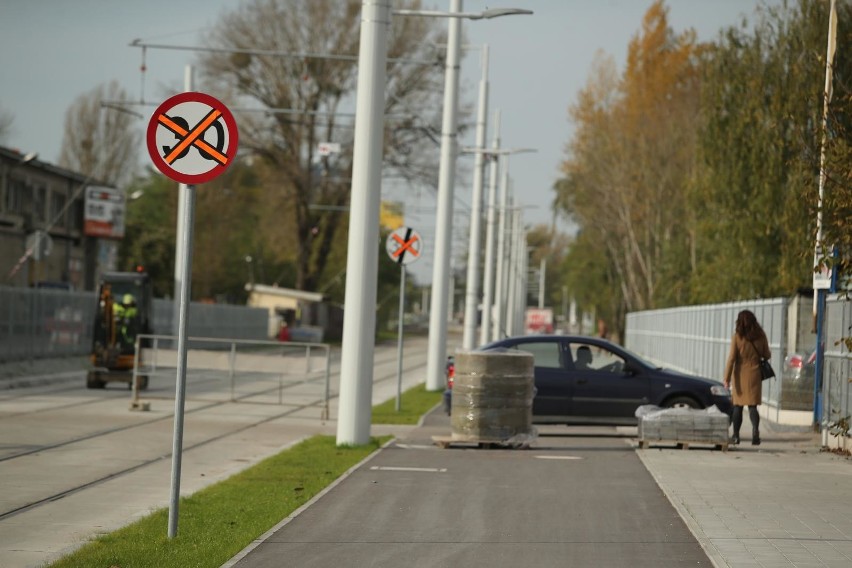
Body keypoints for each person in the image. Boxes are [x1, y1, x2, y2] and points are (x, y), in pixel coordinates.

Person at [723, 309, 770, 445]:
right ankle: (755, 431)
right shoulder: (761, 336)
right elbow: (767, 355)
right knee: (752, 406)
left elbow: (732, 358)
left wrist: (726, 378)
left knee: (738, 406)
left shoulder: (737, 337)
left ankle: (736, 435)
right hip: (755, 373)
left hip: (740, 374)